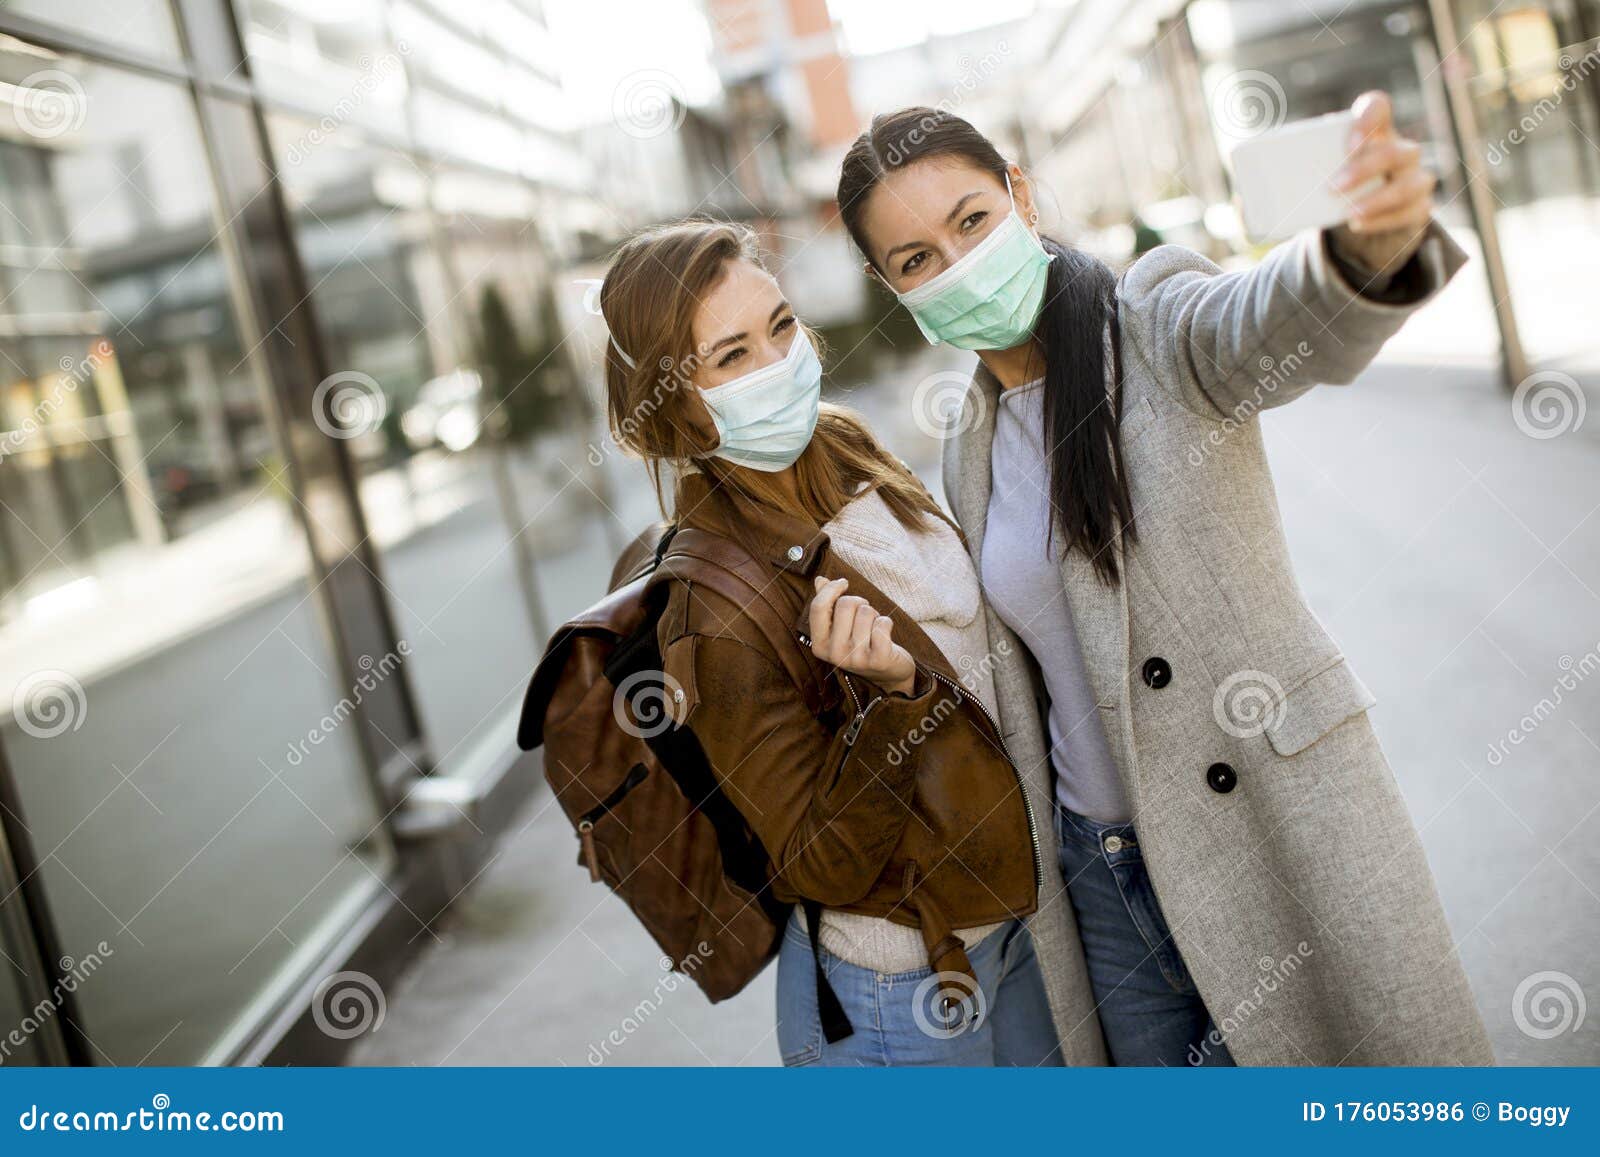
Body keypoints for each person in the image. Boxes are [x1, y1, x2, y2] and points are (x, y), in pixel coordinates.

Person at [834, 92, 1494, 1066]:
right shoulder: (966, 444)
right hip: (1100, 877)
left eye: (970, 221)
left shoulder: (1150, 321)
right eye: (916, 259)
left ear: (1018, 195)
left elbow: (1264, 321)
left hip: (1263, 827)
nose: (957, 264)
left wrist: (1362, 252)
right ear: (891, 285)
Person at [593, 220, 1062, 1066]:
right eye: (731, 356)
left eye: (779, 327)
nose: (778, 364)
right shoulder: (714, 609)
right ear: (676, 405)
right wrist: (890, 699)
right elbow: (820, 863)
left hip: (1006, 922)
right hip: (902, 991)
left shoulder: (845, 441)